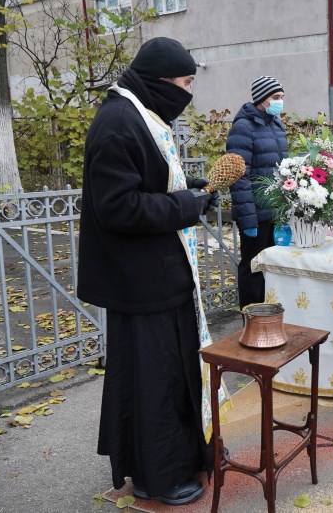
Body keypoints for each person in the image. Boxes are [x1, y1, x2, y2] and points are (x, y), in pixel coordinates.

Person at [78, 37, 219, 506]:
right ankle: (155, 476)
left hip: (163, 274)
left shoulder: (141, 113)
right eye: (185, 83)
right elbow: (118, 207)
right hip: (140, 282)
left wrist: (190, 189)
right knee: (154, 382)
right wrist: (185, 206)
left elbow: (150, 180)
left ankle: (185, 456)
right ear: (160, 81)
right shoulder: (118, 123)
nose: (188, 93)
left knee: (176, 374)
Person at [226, 76, 288, 308]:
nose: (280, 102)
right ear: (262, 98)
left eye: (282, 97)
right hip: (255, 214)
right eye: (275, 97)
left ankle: (270, 317)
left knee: (272, 269)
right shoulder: (243, 127)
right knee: (253, 268)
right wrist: (248, 219)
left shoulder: (276, 124)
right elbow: (238, 175)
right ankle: (251, 318)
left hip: (275, 212)